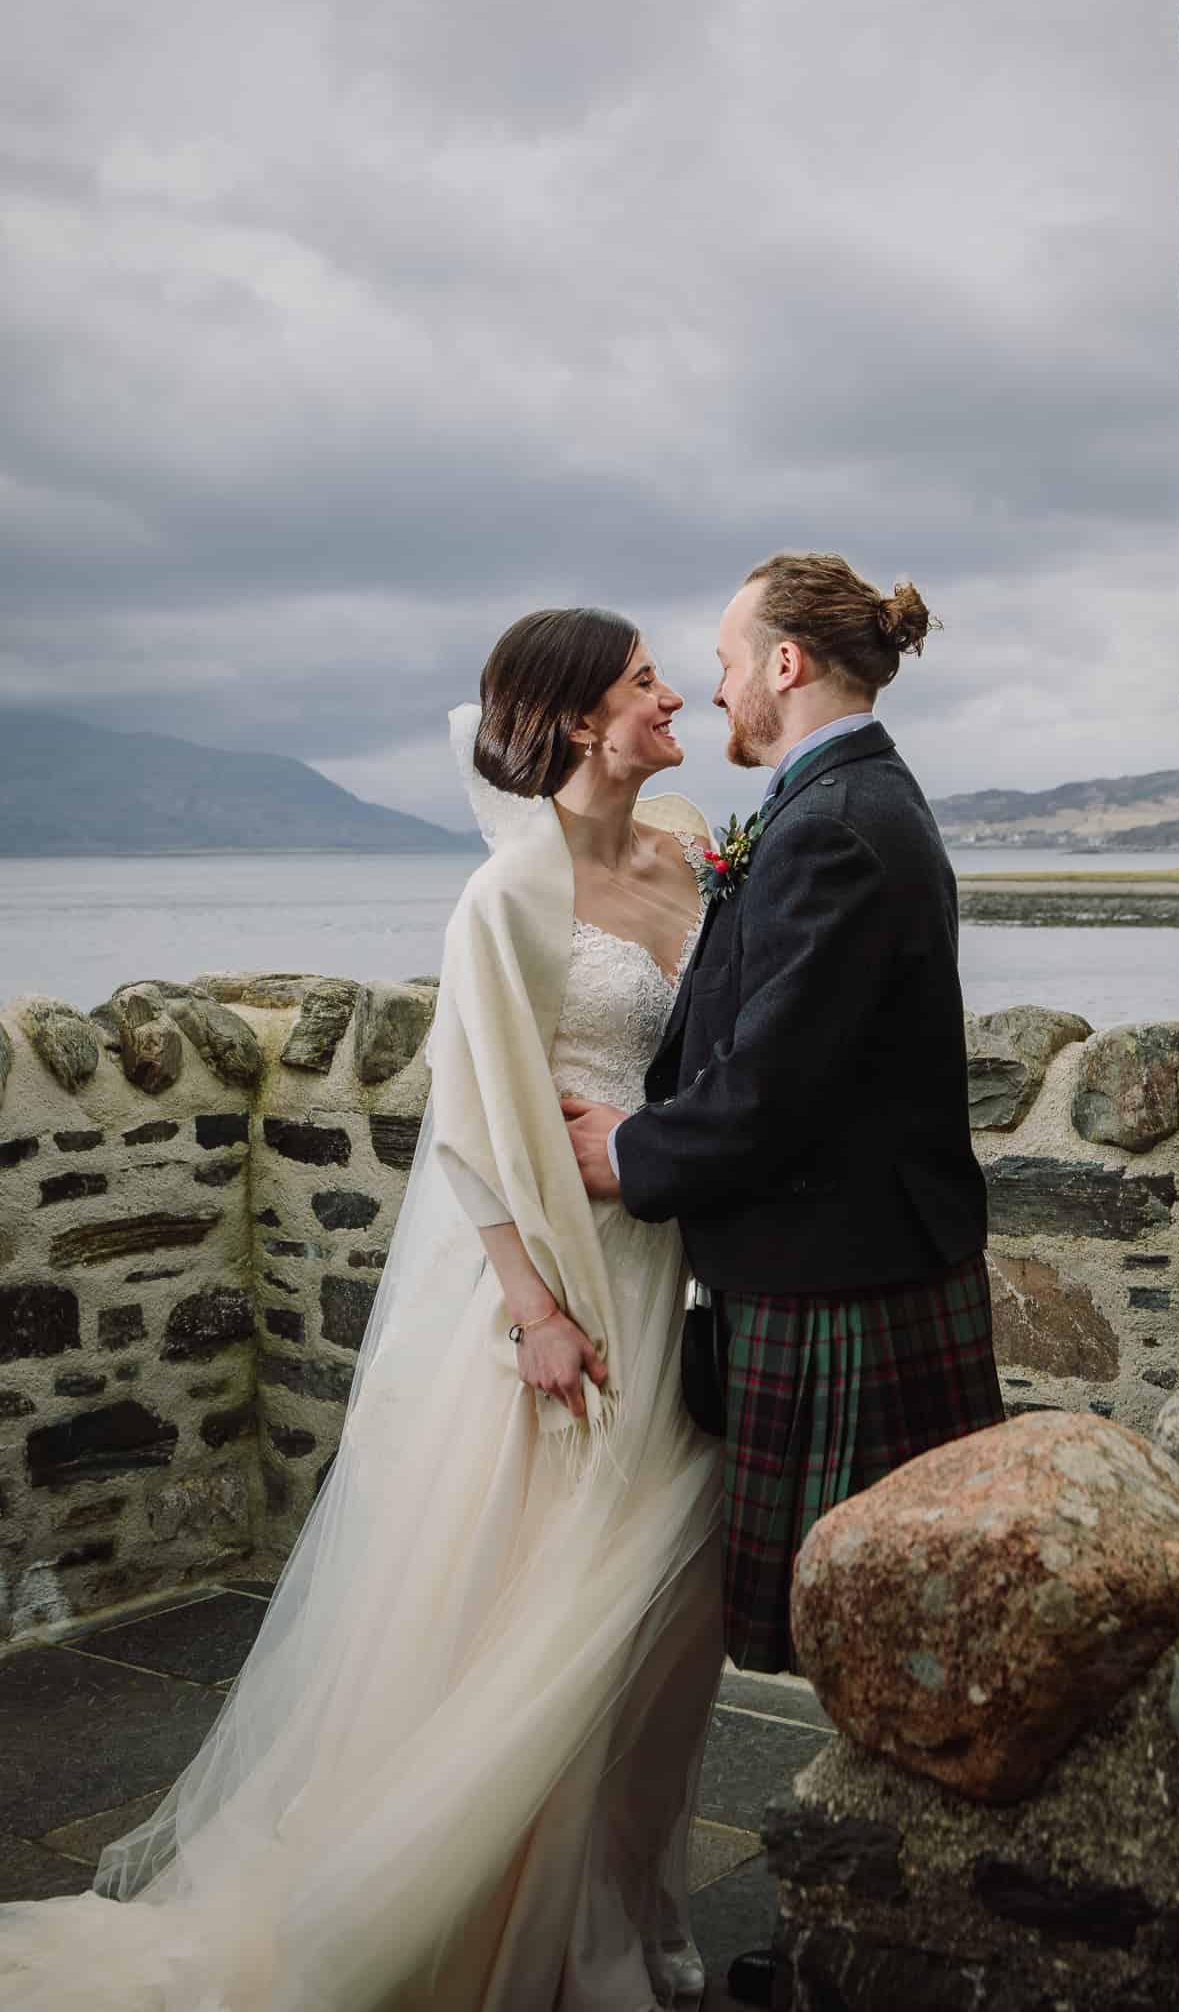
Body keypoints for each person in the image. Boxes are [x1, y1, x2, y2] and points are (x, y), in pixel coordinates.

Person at [0, 609, 725, 2012]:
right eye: (646, 681)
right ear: (580, 718)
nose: (672, 693)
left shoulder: (688, 861)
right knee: (531, 1612)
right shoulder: (508, 896)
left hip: (665, 1254)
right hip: (561, 1288)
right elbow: (469, 1116)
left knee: (645, 1622)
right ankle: (486, 1933)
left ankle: (604, 1911)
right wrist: (533, 1311)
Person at [564, 553, 1006, 2007]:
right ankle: (884, 1928)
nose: (718, 685)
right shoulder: (842, 803)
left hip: (844, 1280)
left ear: (791, 667)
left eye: (729, 658)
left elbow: (773, 1092)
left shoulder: (839, 821)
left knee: (868, 1632)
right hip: (863, 1261)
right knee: (877, 1628)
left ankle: (882, 1944)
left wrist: (629, 1154)